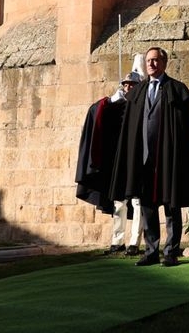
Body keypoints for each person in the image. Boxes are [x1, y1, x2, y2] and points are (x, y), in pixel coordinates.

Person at [110, 47, 189, 267]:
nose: (151, 64)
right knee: (147, 207)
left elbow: (185, 132)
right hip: (144, 159)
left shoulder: (177, 90)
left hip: (168, 159)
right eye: (148, 61)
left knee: (171, 207)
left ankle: (171, 252)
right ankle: (151, 251)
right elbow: (130, 129)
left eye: (155, 60)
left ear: (164, 62)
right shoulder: (138, 92)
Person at [75, 69, 143, 254]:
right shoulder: (114, 105)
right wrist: (109, 102)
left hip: (137, 159)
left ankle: (135, 243)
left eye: (132, 85)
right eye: (126, 85)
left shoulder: (142, 105)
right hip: (119, 160)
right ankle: (117, 241)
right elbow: (96, 112)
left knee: (137, 201)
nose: (128, 88)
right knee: (119, 201)